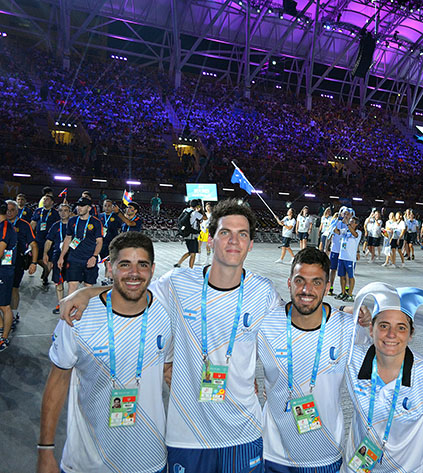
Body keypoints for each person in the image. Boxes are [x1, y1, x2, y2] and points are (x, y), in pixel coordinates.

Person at [60, 199, 282, 472]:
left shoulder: (264, 292)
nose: (234, 241)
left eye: (242, 234)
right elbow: (134, 287)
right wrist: (86, 292)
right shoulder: (178, 283)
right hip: (186, 434)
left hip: (244, 431)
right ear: (210, 239)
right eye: (225, 232)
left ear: (250, 244)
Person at [37, 232, 173, 473]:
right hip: (88, 463)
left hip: (149, 460)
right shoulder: (77, 318)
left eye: (142, 265)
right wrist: (45, 450)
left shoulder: (166, 314)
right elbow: (57, 381)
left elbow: (169, 370)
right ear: (109, 268)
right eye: (124, 265)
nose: (134, 273)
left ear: (152, 269)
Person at [258, 247, 369, 473]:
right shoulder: (267, 325)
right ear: (289, 283)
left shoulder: (348, 328)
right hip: (271, 452)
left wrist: (365, 314)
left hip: (324, 454)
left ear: (328, 287)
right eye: (300, 281)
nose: (306, 290)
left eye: (317, 282)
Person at [345, 283, 423, 473]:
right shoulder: (353, 360)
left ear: (410, 334)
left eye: (401, 328)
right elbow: (317, 319)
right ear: (371, 329)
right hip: (357, 467)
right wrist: (346, 308)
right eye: (384, 325)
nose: (391, 334)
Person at [57, 198, 103, 295]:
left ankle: (85, 310)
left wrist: (94, 256)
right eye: (78, 206)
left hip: (89, 259)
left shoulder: (96, 222)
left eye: (82, 206)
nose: (79, 208)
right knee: (72, 287)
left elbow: (99, 241)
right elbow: (68, 238)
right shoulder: (72, 221)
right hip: (74, 259)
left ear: (89, 208)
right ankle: (71, 309)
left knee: (88, 288)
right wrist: (61, 257)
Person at [6, 200, 38, 331]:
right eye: (7, 209)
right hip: (2, 262)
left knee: (14, 288)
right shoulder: (2, 224)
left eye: (12, 210)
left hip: (17, 262)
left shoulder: (24, 225)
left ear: (17, 211)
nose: (9, 212)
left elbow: (34, 244)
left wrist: (34, 263)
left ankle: (13, 313)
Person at [44, 204, 71, 314]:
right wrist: (45, 253)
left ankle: (70, 304)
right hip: (57, 256)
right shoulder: (55, 226)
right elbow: (49, 241)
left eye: (65, 210)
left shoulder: (74, 225)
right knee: (58, 281)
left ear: (69, 212)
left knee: (71, 281)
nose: (63, 213)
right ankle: (61, 303)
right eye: (61, 211)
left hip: (71, 256)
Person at [0, 201, 18, 351]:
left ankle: (4, 338)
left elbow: (0, 251)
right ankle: (1, 328)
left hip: (3, 272)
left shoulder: (5, 228)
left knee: (5, 306)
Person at [31, 193, 60, 286]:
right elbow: (33, 223)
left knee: (50, 260)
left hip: (50, 240)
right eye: (44, 199)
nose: (44, 201)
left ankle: (45, 277)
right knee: (37, 257)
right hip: (39, 239)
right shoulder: (38, 211)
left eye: (47, 200)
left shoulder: (55, 213)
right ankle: (45, 268)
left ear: (52, 202)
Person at [98, 199, 123, 285]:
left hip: (113, 243)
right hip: (102, 243)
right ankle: (108, 277)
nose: (107, 207)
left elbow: (120, 227)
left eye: (109, 206)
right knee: (105, 261)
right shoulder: (99, 216)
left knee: (110, 261)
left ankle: (109, 278)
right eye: (105, 205)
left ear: (112, 207)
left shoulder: (116, 217)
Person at [336, 217, 360, 302]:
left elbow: (355, 235)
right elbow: (337, 232)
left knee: (350, 276)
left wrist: (347, 224)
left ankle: (350, 294)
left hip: (350, 258)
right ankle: (343, 292)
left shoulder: (358, 232)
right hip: (342, 257)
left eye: (352, 222)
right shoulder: (345, 230)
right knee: (342, 276)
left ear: (356, 224)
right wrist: (335, 223)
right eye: (350, 222)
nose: (350, 223)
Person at [174, 199, 204, 269]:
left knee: (191, 252)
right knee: (193, 253)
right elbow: (204, 218)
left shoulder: (185, 210)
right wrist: (201, 210)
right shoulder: (195, 213)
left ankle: (179, 263)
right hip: (192, 235)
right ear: (197, 206)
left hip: (186, 234)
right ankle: (190, 269)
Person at [327, 207, 350, 293]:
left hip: (344, 252)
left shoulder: (350, 225)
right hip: (335, 250)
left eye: (347, 214)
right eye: (344, 213)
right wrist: (326, 248)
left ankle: (345, 289)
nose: (346, 215)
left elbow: (339, 232)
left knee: (344, 272)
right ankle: (331, 287)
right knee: (332, 269)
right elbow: (330, 234)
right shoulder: (336, 222)